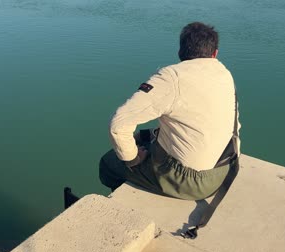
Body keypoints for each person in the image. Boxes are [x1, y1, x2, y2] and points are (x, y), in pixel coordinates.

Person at [99, 22, 240, 200]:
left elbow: (118, 124)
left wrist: (134, 160)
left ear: (181, 52)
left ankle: (125, 200)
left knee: (109, 163)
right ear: (215, 53)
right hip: (224, 171)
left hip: (190, 182)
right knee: (147, 139)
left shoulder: (172, 77)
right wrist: (144, 135)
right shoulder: (224, 74)